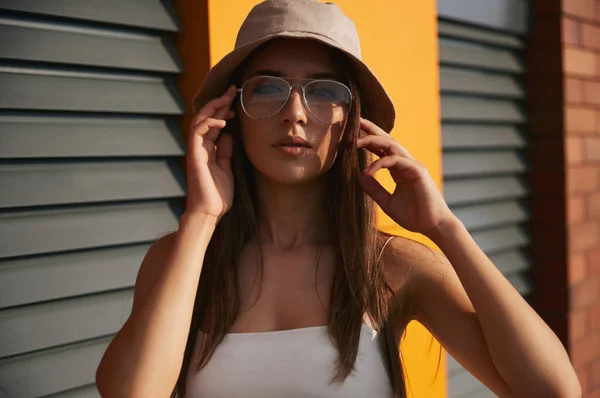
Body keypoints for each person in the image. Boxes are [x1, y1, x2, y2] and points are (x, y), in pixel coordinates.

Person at [95, 1, 581, 397]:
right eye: (268, 87)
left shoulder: (391, 267)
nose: (295, 114)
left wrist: (444, 228)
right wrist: (201, 218)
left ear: (353, 121)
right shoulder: (182, 258)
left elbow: (554, 390)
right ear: (232, 111)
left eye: (324, 91)